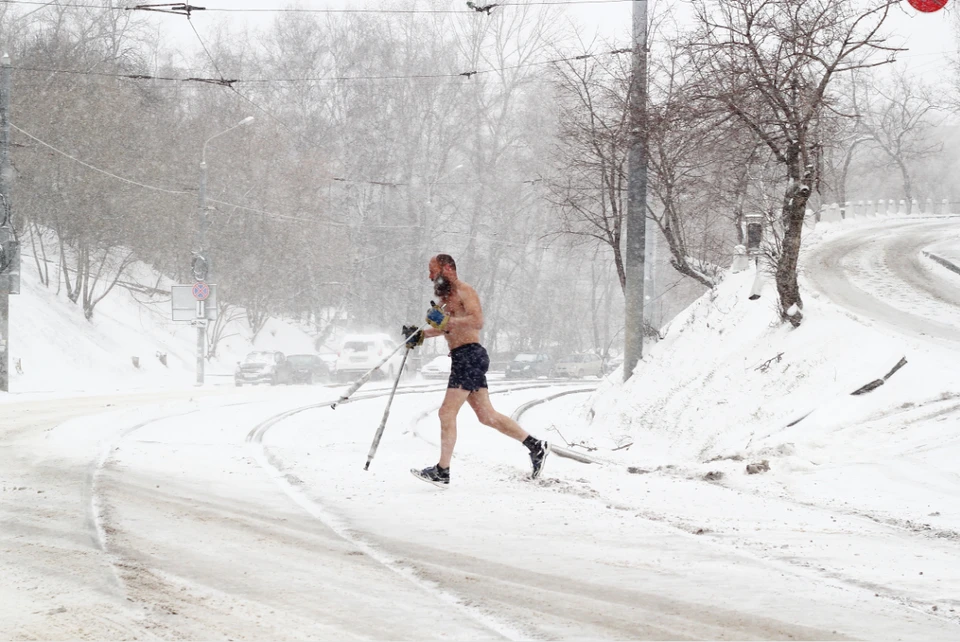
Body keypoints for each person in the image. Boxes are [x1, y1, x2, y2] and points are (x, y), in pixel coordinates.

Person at [405, 254, 550, 487]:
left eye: (433, 270)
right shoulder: (448, 299)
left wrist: (447, 322)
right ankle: (536, 446)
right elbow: (447, 328)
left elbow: (477, 321)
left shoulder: (465, 291)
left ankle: (442, 471)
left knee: (446, 412)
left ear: (447, 268)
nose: (430, 276)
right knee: (487, 416)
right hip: (466, 358)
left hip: (470, 356)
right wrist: (420, 334)